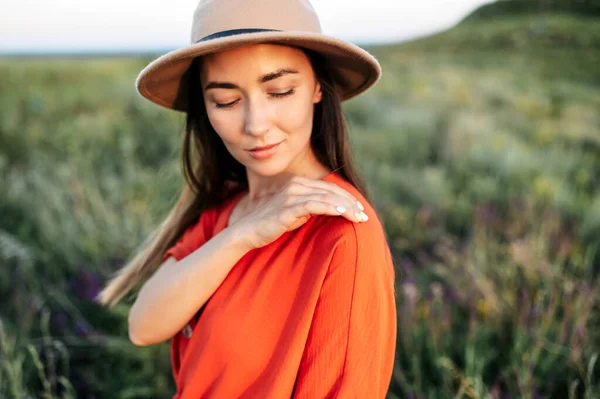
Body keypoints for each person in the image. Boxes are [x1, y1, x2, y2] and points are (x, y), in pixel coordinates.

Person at [96, 0, 397, 397]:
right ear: (204, 107)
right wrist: (242, 234)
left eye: (279, 91)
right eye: (226, 101)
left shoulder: (342, 234)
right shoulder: (224, 213)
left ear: (318, 89)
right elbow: (143, 325)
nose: (256, 125)